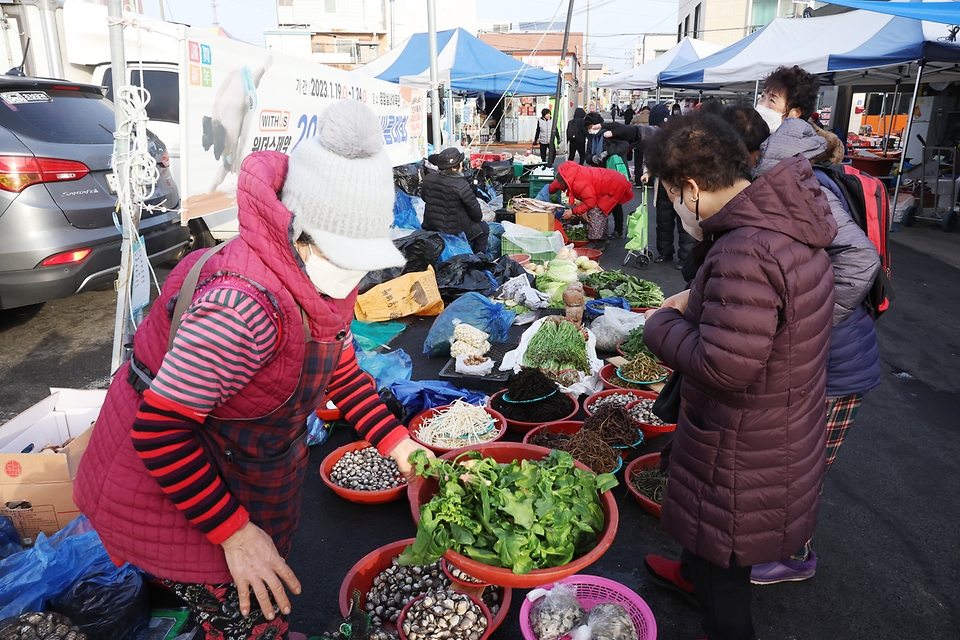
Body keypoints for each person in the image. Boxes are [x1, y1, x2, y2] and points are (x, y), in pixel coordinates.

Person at [74, 101, 433, 639]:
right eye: (345, 256)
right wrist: (235, 534)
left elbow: (341, 369)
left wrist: (402, 446)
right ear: (299, 231)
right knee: (246, 609)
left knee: (261, 596)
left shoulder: (312, 278)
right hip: (176, 487)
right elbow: (161, 430)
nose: (354, 274)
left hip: (239, 463)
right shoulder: (242, 309)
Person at [641, 112, 837, 640]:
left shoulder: (745, 248)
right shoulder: (786, 220)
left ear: (691, 189)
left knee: (726, 551)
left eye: (672, 195)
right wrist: (703, 305)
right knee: (708, 526)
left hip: (746, 436)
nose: (676, 207)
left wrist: (660, 324)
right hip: (776, 416)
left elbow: (723, 366)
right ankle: (687, 574)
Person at [748, 66, 881, 585]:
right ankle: (779, 546)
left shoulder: (801, 180)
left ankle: (795, 556)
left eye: (773, 98)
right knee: (791, 463)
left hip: (839, 363)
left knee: (802, 470)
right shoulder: (787, 169)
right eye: (764, 94)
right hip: (823, 357)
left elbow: (862, 262)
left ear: (796, 114)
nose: (765, 103)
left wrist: (818, 321)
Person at [421, 147, 490, 254]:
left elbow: (424, 198)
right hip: (454, 232)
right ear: (454, 168)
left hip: (431, 226)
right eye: (461, 163)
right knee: (484, 228)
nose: (462, 166)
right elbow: (477, 215)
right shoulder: (461, 185)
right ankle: (479, 259)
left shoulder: (428, 178)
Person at [547, 160, 633, 240]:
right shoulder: (569, 173)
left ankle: (598, 239)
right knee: (612, 207)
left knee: (597, 211)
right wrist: (548, 190)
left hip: (615, 185)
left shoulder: (579, 184)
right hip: (613, 179)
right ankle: (611, 232)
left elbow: (590, 203)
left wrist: (573, 211)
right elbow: (557, 183)